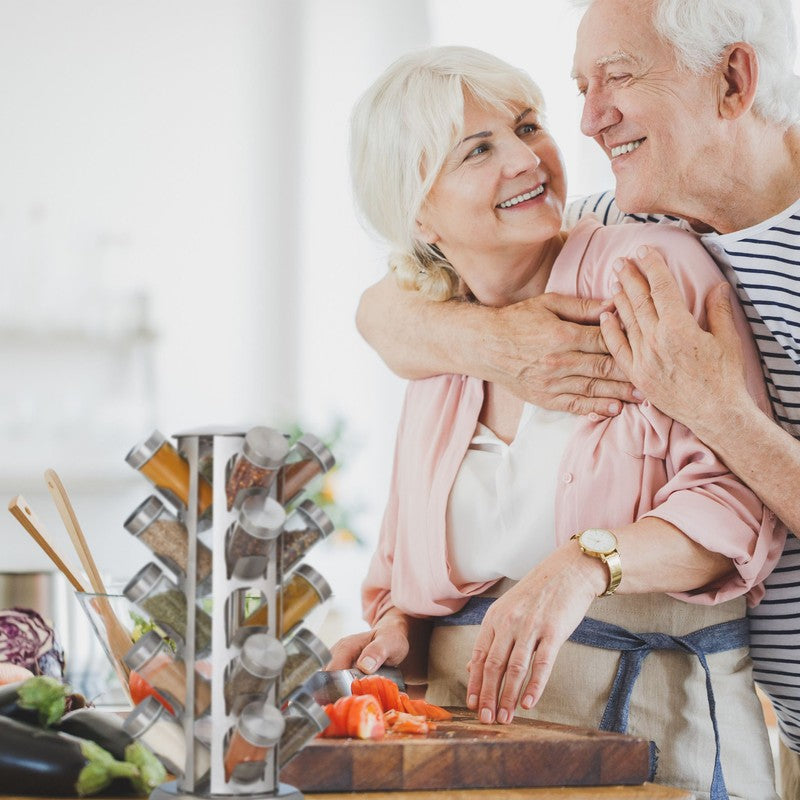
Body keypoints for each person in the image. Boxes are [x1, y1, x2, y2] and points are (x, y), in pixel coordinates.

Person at [355, 2, 800, 797]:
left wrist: (719, 412)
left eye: (619, 79)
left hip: (680, 732)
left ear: (734, 80)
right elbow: (379, 314)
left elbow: (729, 505)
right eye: (579, 91)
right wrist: (495, 342)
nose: (587, 123)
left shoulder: (650, 262)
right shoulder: (616, 221)